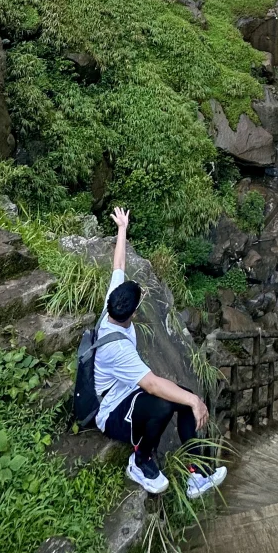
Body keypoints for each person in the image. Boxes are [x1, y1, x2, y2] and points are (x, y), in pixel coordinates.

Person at [95, 206, 227, 500]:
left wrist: (122, 229)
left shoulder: (113, 305)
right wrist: (195, 400)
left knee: (179, 396)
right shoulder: (116, 347)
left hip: (126, 391)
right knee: (167, 403)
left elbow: (118, 266)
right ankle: (140, 462)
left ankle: (197, 473)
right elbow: (152, 384)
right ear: (133, 310)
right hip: (112, 410)